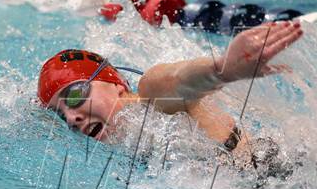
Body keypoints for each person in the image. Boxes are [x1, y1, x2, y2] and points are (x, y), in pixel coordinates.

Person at [38, 21, 303, 158]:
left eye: (73, 96)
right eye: (60, 115)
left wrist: (224, 70)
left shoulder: (149, 98)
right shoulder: (131, 145)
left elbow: (177, 80)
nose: (71, 119)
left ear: (116, 85)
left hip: (276, 172)